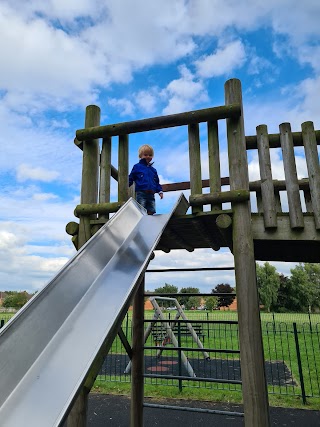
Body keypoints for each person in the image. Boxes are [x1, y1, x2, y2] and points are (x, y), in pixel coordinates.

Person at [129, 144, 163, 215]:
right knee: (141, 209)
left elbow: (156, 182)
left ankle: (149, 220)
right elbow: (131, 176)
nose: (148, 156)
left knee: (151, 209)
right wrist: (127, 184)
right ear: (140, 156)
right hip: (141, 192)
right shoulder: (137, 167)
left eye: (150, 155)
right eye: (145, 155)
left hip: (151, 193)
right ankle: (142, 219)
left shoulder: (153, 170)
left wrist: (160, 191)